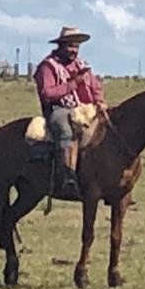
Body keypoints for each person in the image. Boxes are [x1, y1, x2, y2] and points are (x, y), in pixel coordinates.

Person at [34, 26, 105, 200]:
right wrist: (72, 84)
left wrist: (100, 101)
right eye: (70, 46)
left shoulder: (82, 66)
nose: (74, 50)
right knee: (65, 129)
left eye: (76, 46)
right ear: (61, 45)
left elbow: (95, 86)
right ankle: (67, 177)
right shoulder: (48, 66)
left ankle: (107, 179)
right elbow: (47, 93)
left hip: (85, 108)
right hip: (59, 109)